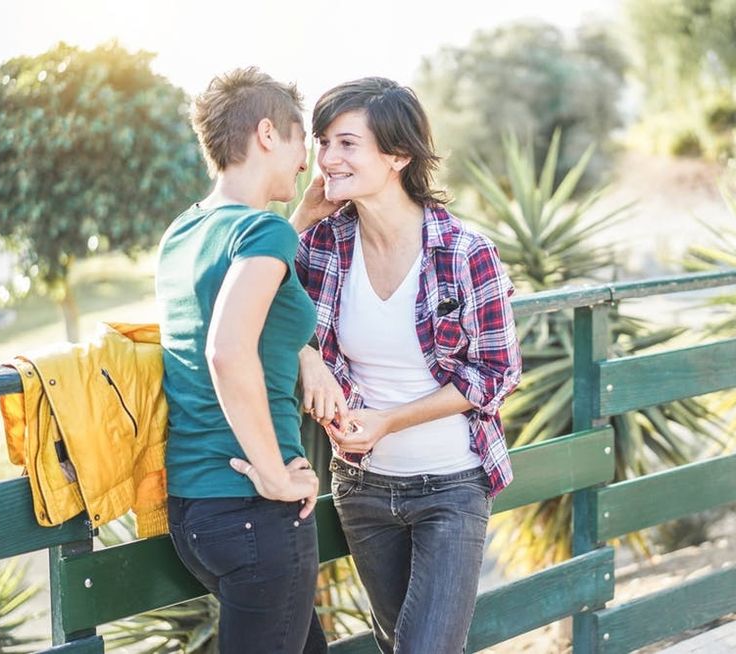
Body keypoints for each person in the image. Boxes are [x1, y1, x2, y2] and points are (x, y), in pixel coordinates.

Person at [295, 77, 522, 654]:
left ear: (397, 155)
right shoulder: (321, 243)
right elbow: (241, 303)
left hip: (452, 485)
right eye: (324, 142)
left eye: (347, 143)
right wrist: (298, 219)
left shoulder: (465, 252)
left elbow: (496, 372)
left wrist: (389, 420)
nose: (327, 159)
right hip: (362, 487)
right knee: (399, 644)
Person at [155, 67, 336, 654]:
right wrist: (276, 474)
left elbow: (239, 314)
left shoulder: (184, 231)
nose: (306, 160)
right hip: (256, 508)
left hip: (195, 511)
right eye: (300, 140)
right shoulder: (260, 233)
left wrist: (304, 351)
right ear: (266, 134)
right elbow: (227, 350)